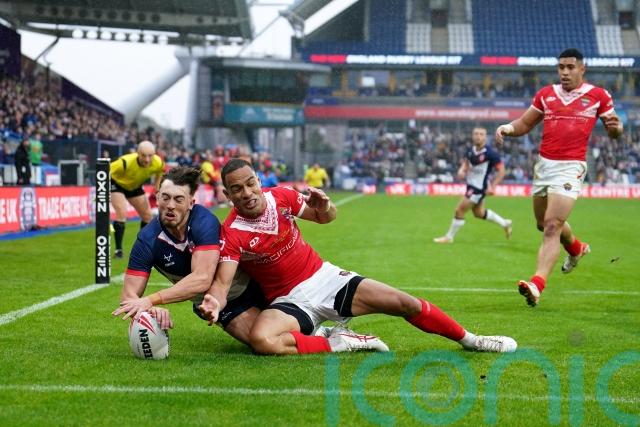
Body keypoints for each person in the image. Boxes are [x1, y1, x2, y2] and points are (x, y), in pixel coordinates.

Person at [198, 159, 517, 355]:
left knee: (404, 302)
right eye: (237, 189)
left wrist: (325, 206)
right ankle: (342, 342)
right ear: (227, 194)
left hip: (324, 279)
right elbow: (223, 283)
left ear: (259, 180)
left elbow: (325, 218)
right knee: (262, 339)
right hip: (288, 302)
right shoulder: (232, 232)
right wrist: (214, 302)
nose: (247, 193)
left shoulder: (280, 197)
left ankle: (472, 340)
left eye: (250, 183)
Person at [495, 48, 623, 307]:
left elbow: (614, 131)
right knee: (542, 224)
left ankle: (537, 284)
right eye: (561, 67)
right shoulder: (546, 94)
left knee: (552, 225)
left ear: (582, 69)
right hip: (544, 166)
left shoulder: (598, 95)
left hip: (571, 166)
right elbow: (525, 123)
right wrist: (507, 128)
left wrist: (616, 128)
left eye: (570, 67)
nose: (565, 72)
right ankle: (576, 248)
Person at [111, 166, 264, 344]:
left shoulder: (203, 221)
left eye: (178, 199)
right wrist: (149, 312)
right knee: (262, 341)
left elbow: (202, 279)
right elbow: (128, 298)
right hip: (222, 306)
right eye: (165, 198)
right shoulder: (147, 240)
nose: (170, 205)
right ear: (157, 197)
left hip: (253, 284)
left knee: (286, 326)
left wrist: (151, 300)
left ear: (191, 203)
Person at [434, 127, 512, 243]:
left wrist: (493, 186)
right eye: (476, 134)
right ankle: (505, 223)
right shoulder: (470, 151)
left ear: (485, 137)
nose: (478, 136)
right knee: (479, 213)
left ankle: (449, 237)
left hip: (478, 188)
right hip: (470, 185)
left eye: (481, 134)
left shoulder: (490, 154)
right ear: (472, 136)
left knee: (459, 210)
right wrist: (461, 171)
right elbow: (466, 165)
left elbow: (501, 171)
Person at [110, 141, 164, 258]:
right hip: (116, 184)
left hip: (134, 186)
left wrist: (157, 189)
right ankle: (118, 251)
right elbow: (104, 171)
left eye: (150, 156)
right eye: (144, 155)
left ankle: (141, 248)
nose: (147, 159)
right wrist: (102, 191)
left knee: (148, 216)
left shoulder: (158, 162)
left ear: (154, 154)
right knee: (121, 213)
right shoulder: (125, 162)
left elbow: (159, 173)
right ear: (137, 153)